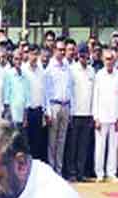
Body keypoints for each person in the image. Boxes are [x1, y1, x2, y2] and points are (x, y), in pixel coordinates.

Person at [92, 50, 118, 184]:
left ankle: (111, 173)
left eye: (111, 58)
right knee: (100, 147)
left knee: (113, 147)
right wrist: (96, 117)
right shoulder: (99, 75)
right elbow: (95, 96)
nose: (109, 61)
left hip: (114, 116)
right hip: (101, 116)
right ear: (103, 59)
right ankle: (99, 173)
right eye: (106, 59)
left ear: (114, 59)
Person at [44, 39, 74, 176]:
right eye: (59, 50)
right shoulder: (50, 68)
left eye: (63, 50)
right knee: (52, 141)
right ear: (54, 50)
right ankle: (51, 170)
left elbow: (70, 88)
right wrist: (48, 112)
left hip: (65, 105)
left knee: (62, 140)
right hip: (54, 106)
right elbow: (46, 91)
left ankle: (59, 170)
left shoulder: (67, 67)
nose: (62, 52)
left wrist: (71, 109)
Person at [68, 43, 95, 182]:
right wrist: (71, 112)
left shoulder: (91, 71)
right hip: (75, 113)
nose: (84, 57)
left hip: (88, 112)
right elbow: (70, 93)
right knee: (73, 145)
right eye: (82, 55)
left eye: (86, 55)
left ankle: (81, 172)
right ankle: (72, 172)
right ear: (78, 55)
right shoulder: (72, 70)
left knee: (83, 146)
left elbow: (94, 94)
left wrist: (93, 113)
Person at [23, 45, 46, 162]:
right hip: (27, 112)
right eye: (31, 54)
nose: (33, 57)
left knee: (38, 142)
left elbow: (44, 92)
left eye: (36, 54)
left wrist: (44, 112)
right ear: (28, 55)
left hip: (38, 111)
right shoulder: (23, 70)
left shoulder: (41, 71)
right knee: (27, 143)